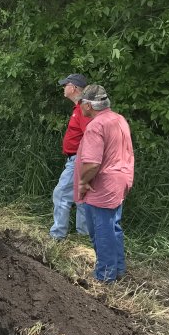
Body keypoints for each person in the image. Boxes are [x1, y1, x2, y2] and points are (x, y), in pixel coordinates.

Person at [75, 84, 134, 282]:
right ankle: (118, 270)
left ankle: (104, 277)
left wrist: (83, 182)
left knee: (101, 231)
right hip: (122, 179)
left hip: (104, 184)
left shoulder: (96, 126)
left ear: (89, 105)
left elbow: (92, 164)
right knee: (113, 226)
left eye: (82, 101)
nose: (80, 105)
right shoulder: (118, 119)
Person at [50, 73, 92, 240]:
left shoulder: (83, 108)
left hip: (78, 159)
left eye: (65, 85)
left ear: (73, 88)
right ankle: (84, 235)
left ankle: (57, 235)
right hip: (79, 159)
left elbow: (90, 135)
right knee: (81, 197)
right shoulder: (80, 108)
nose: (63, 88)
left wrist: (84, 159)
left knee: (61, 194)